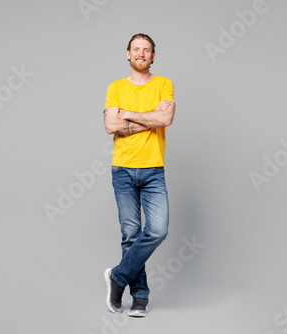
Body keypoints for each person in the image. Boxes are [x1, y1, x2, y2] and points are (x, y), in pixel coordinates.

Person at [102, 33, 176, 317]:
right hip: (122, 169)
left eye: (147, 50)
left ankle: (118, 277)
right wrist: (149, 117)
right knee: (130, 234)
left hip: (153, 169)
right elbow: (111, 126)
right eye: (136, 49)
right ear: (128, 54)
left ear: (153, 56)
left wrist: (128, 115)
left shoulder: (164, 84)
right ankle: (140, 297)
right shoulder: (116, 87)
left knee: (158, 230)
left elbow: (166, 119)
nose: (141, 54)